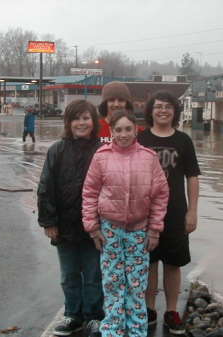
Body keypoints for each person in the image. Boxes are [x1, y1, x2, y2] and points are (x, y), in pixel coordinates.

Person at [82, 110, 169, 337]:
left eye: (128, 129)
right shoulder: (101, 157)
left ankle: (137, 331)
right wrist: (92, 228)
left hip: (140, 231)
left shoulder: (149, 158)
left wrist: (154, 230)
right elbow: (89, 193)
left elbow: (160, 195)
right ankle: (112, 330)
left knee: (136, 284)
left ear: (136, 130)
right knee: (112, 283)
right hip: (109, 230)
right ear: (111, 131)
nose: (123, 134)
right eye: (118, 130)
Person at [37, 100, 103, 337]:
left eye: (86, 118)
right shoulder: (57, 150)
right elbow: (45, 187)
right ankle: (73, 315)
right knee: (69, 276)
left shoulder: (102, 150)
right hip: (64, 226)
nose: (81, 123)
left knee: (94, 275)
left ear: (93, 122)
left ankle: (95, 316)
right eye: (76, 118)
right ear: (68, 122)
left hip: (95, 227)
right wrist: (49, 222)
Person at [138, 91, 201, 335]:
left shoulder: (183, 141)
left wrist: (192, 211)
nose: (163, 110)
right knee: (149, 262)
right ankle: (149, 308)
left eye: (168, 107)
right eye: (158, 107)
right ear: (151, 111)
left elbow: (192, 177)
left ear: (175, 111)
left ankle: (172, 310)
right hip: (144, 211)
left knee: (173, 263)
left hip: (175, 211)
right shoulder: (140, 139)